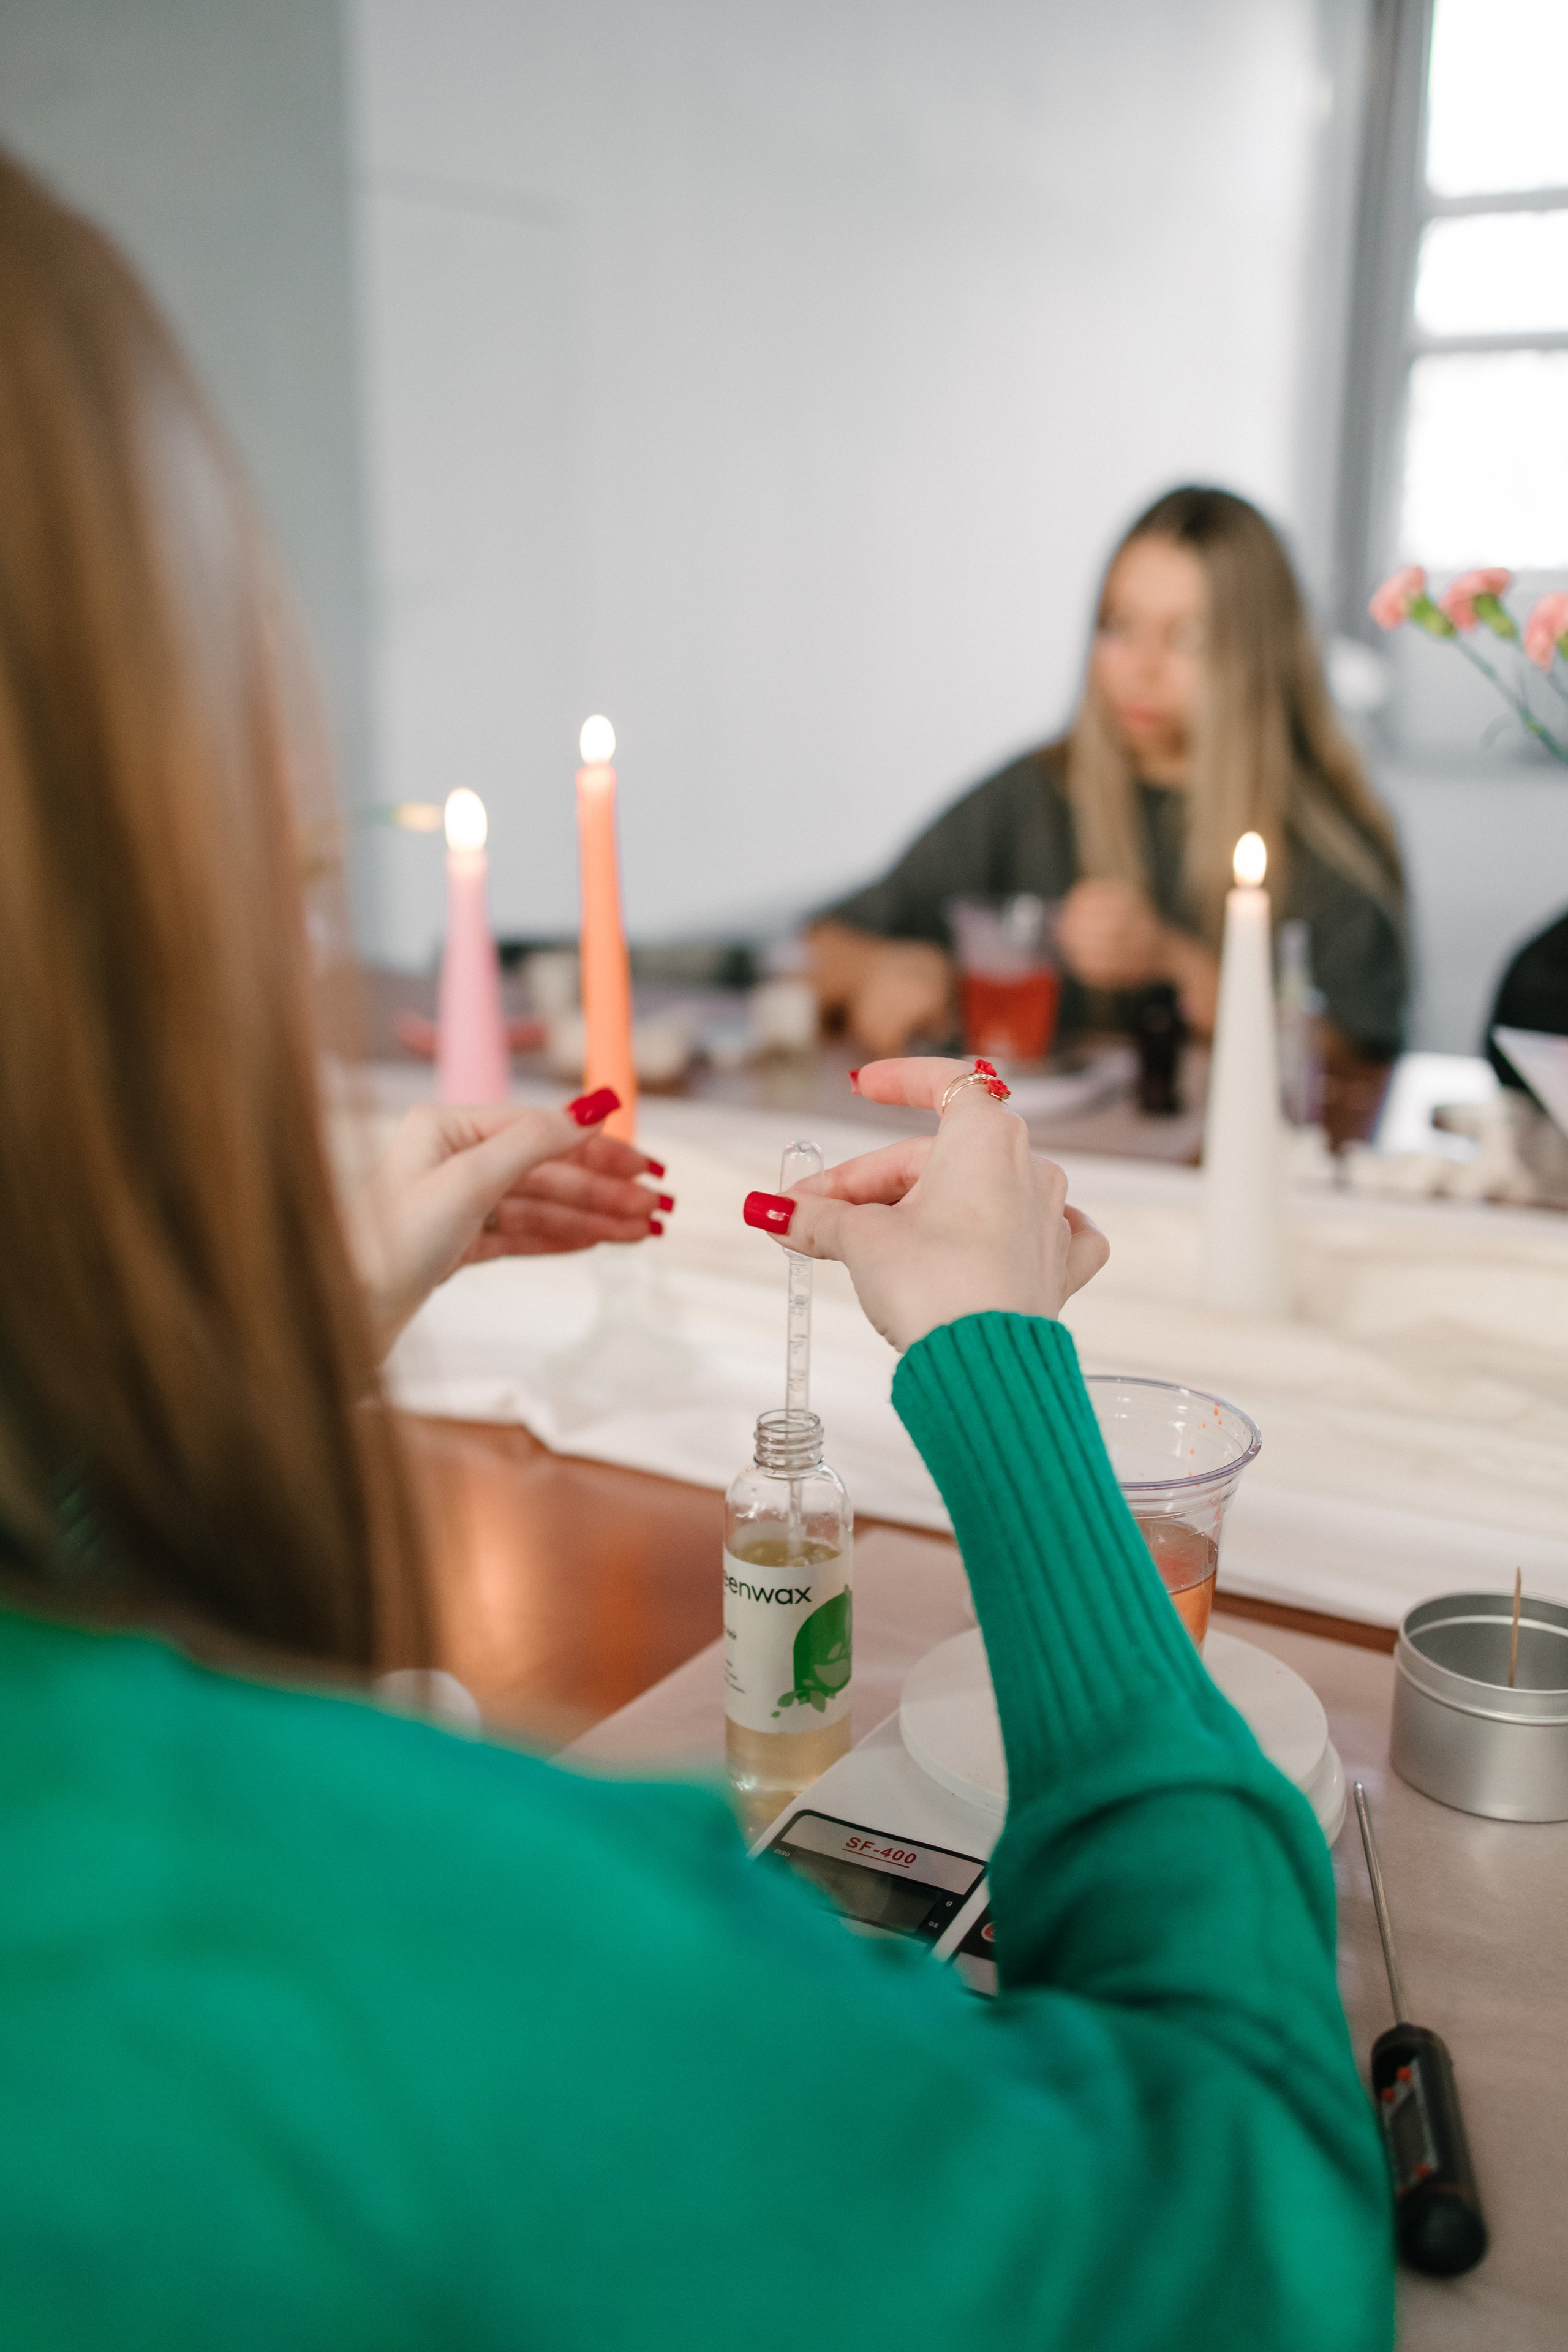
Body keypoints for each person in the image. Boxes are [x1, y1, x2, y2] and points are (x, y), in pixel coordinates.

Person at [0, 155, 1391, 2350]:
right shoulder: (367, 1951)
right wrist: (1001, 1366)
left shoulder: (1337, 851)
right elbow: (1245, 2238)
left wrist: (280, 1339)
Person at [812, 487, 1408, 1136]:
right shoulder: (1032, 794)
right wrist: (882, 970)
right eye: (1118, 626)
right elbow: (818, 948)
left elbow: (1353, 1056)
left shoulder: (1323, 836)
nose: (1140, 668)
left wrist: (1180, 965)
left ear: (1258, 654)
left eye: (1187, 638)